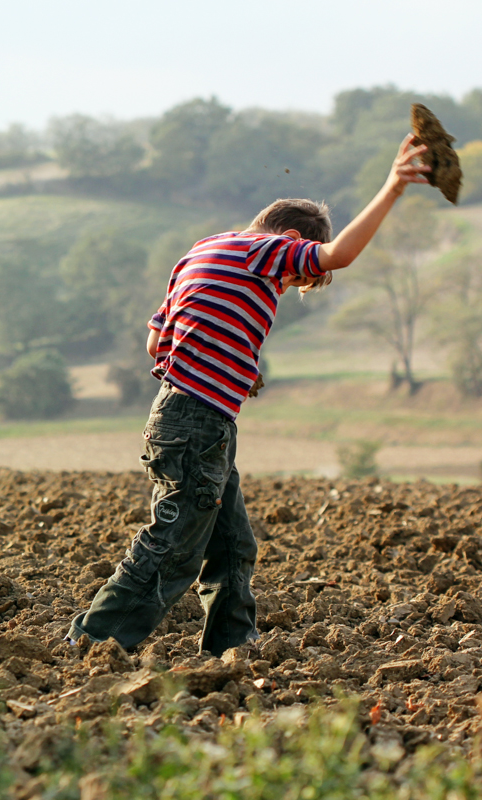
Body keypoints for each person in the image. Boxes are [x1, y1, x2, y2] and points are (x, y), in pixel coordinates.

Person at [66, 135, 431, 656]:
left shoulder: (203, 249)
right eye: (293, 279)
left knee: (233, 544)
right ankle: (92, 640)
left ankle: (233, 647)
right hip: (196, 420)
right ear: (290, 240)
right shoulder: (266, 249)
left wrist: (231, 358)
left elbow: (156, 342)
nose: (284, 286)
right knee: (173, 546)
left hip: (187, 416)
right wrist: (393, 186)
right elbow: (340, 255)